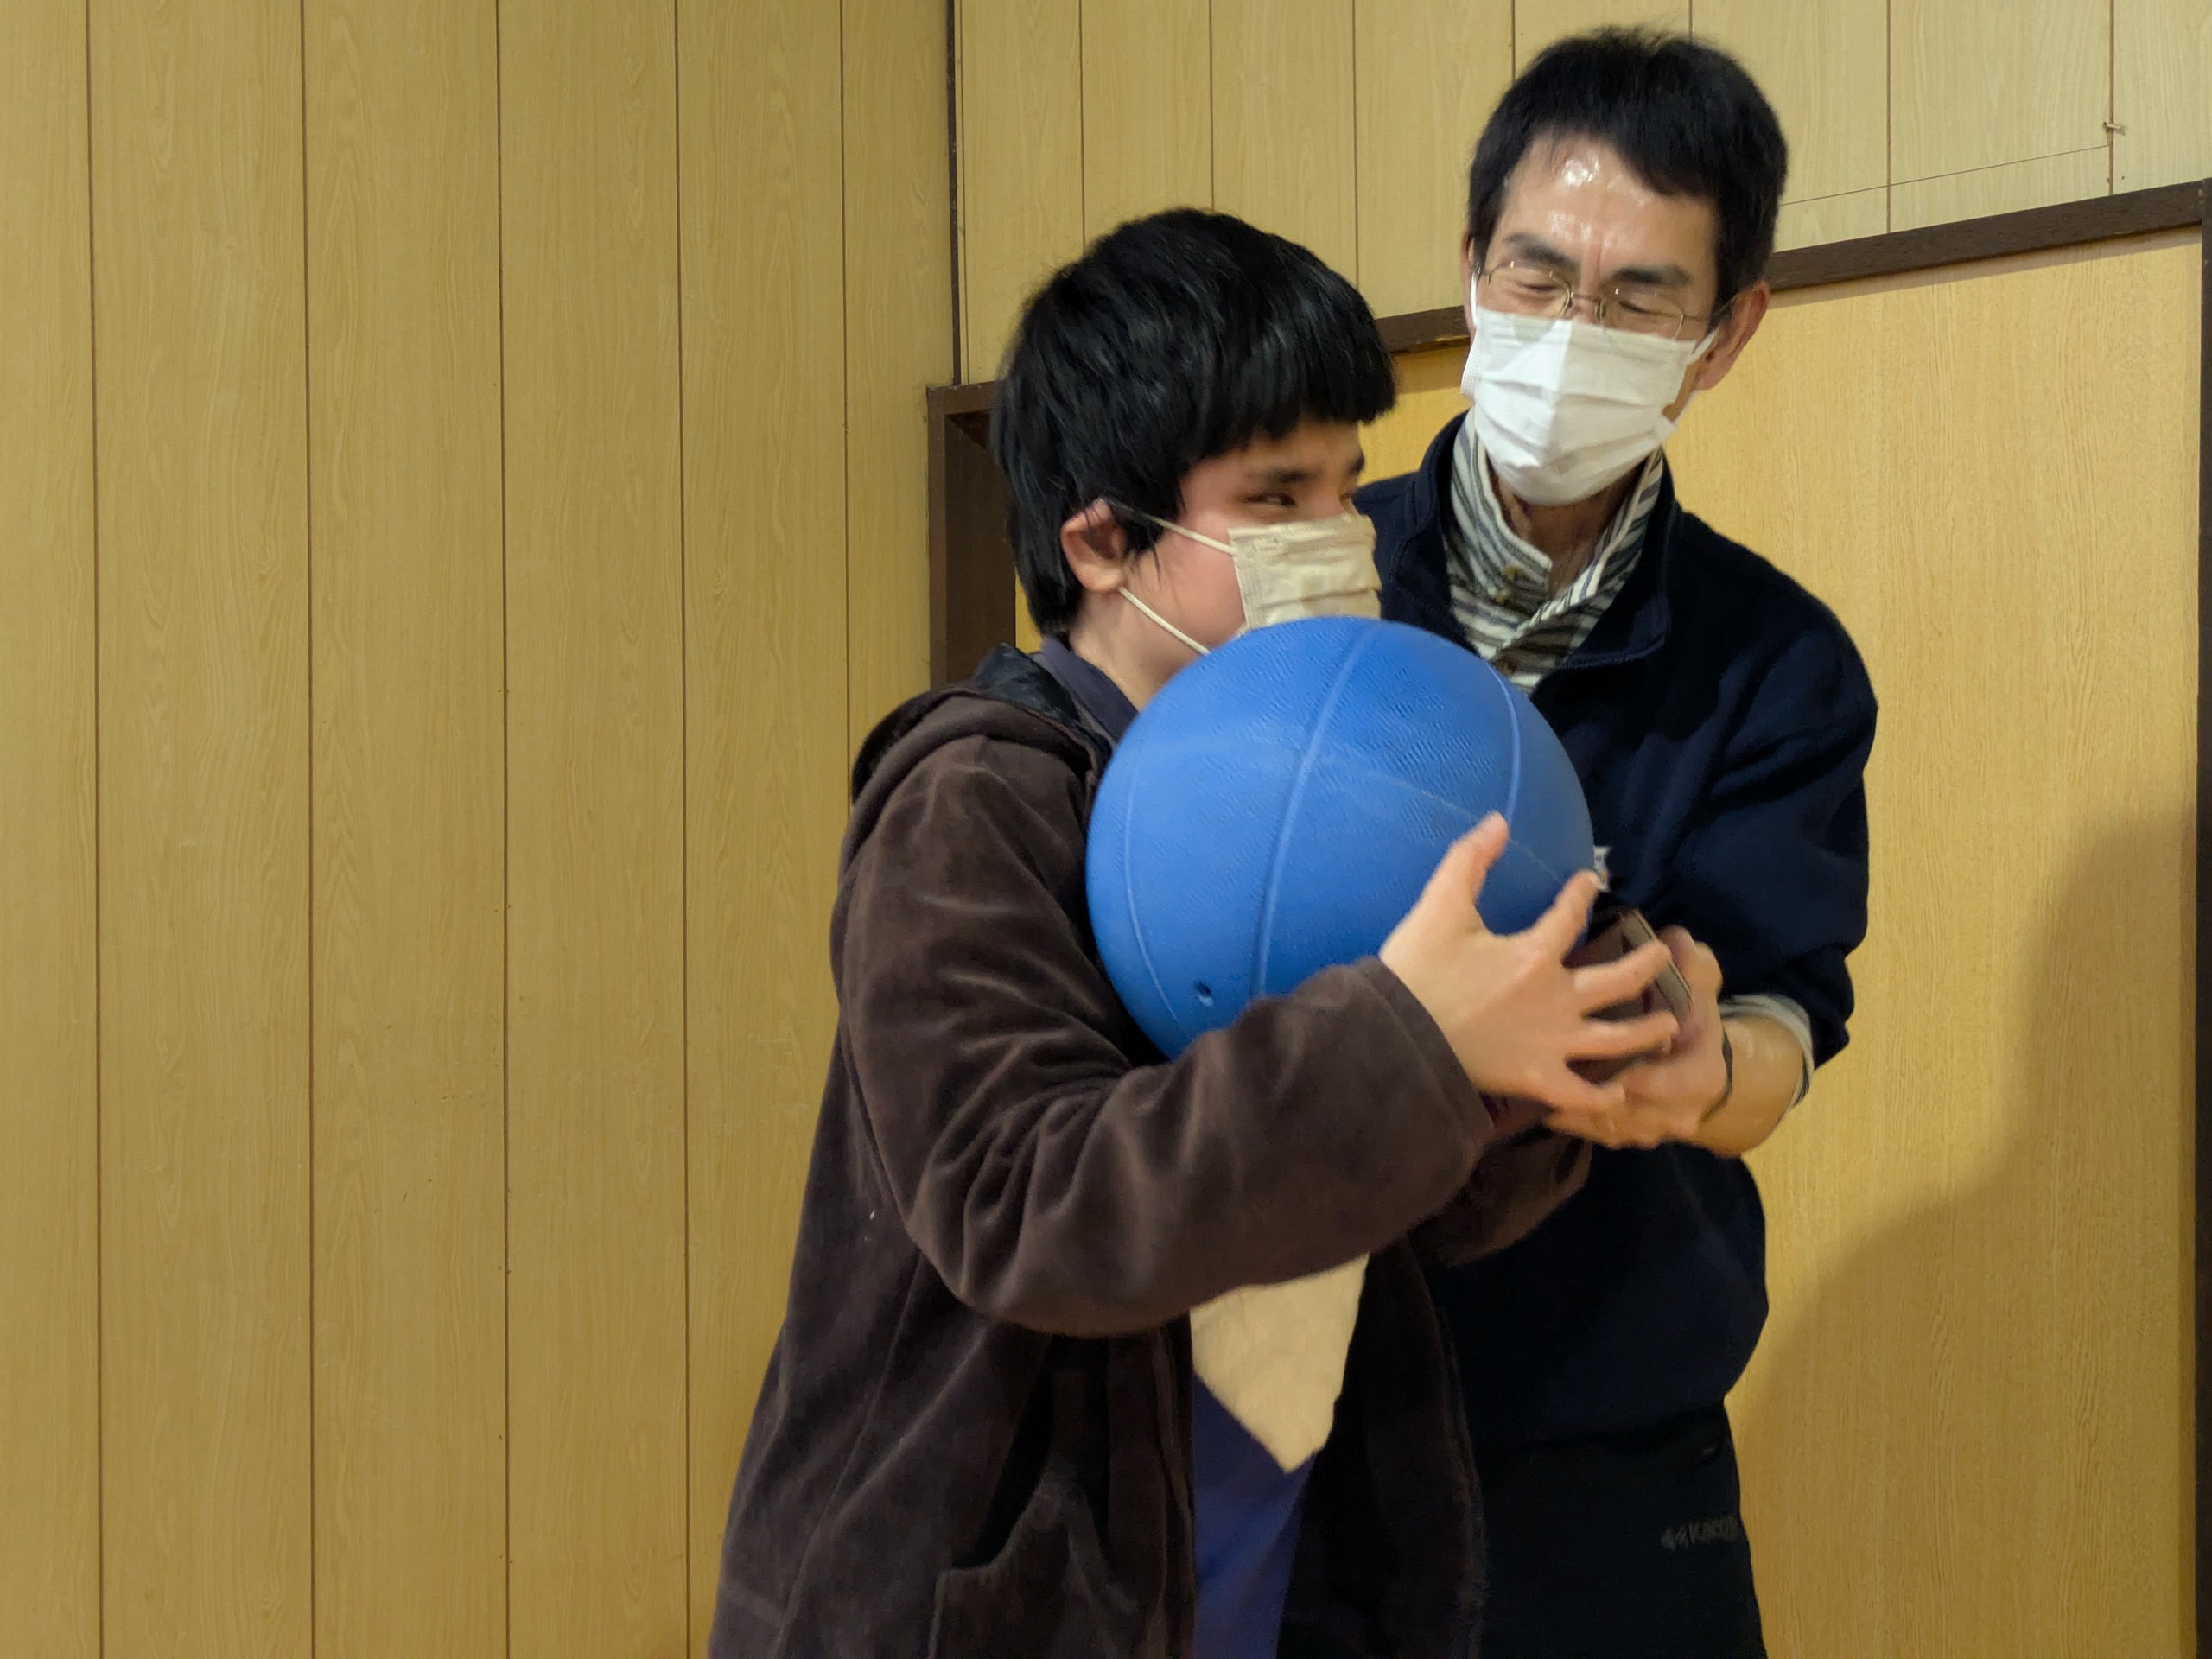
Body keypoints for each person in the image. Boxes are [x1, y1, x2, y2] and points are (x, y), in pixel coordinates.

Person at [707, 207, 1681, 1659]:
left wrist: (1577, 1037)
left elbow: (1433, 1199)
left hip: (1274, 1575)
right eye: (1275, 498)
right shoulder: (974, 804)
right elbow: (1021, 1203)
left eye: (1346, 486)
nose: (1339, 537)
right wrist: (1409, 1040)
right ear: (1104, 540)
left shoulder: (1351, 773)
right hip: (983, 1603)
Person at [1357, 31, 1878, 1659]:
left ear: (1726, 335)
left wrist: (1706, 1072)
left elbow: (1782, 1017)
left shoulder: (1775, 662)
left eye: (1642, 297)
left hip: (1604, 1447)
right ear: (1471, 272)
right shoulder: (1314, 582)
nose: (1573, 331)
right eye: (1539, 274)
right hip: (1296, 1411)